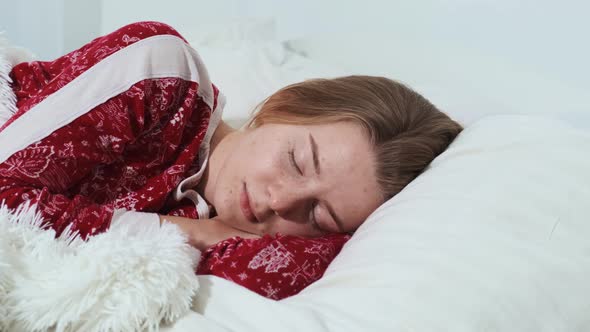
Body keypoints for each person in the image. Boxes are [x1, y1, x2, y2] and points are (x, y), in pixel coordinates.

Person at [0, 22, 463, 253]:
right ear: (283, 104)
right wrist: (191, 233)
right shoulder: (164, 76)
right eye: (297, 161)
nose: (281, 202)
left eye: (319, 214)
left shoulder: (229, 228)